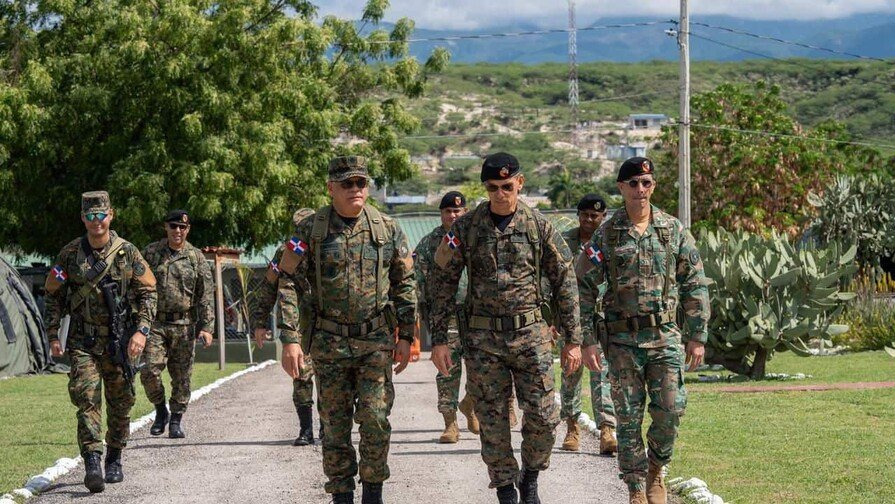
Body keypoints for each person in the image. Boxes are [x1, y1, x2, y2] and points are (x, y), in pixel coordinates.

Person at [430, 152, 582, 504]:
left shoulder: (539, 226)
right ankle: (504, 490)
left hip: (531, 335)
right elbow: (442, 282)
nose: (501, 193)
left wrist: (574, 339)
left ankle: (530, 477)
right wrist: (439, 340)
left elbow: (565, 281)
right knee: (492, 420)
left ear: (520, 183)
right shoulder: (465, 228)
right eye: (494, 187)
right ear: (486, 188)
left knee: (544, 415)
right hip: (483, 341)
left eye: (507, 186)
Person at [273, 156, 416, 504]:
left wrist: (408, 336)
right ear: (331, 188)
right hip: (329, 343)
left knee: (376, 420)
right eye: (347, 183)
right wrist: (290, 338)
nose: (356, 189)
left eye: (361, 183)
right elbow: (287, 280)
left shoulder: (388, 228)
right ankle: (341, 495)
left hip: (375, 342)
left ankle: (373, 494)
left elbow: (405, 283)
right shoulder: (310, 230)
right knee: (335, 428)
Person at [576, 157, 710, 504]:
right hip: (621, 341)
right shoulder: (607, 233)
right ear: (621, 188)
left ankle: (655, 468)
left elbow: (694, 281)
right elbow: (583, 287)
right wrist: (587, 340)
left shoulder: (672, 229)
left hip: (665, 336)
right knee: (628, 416)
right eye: (633, 183)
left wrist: (697, 335)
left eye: (646, 182)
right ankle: (637, 486)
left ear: (653, 186)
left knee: (671, 408)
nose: (640, 189)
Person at [45, 191, 157, 493]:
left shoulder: (128, 253)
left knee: (122, 403)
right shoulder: (69, 255)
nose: (97, 221)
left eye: (102, 215)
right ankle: (92, 461)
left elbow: (148, 292)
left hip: (119, 341)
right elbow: (53, 295)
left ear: (111, 215)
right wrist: (53, 333)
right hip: (83, 341)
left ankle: (114, 458)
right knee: (87, 398)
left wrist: (141, 331)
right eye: (91, 216)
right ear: (83, 218)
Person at [413, 191, 482, 443]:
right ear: (441, 214)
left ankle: (470, 403)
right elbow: (416, 280)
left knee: (482, 367)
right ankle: (450, 422)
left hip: (477, 313)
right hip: (446, 313)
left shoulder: (476, 237)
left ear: (465, 212)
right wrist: (417, 315)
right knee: (447, 368)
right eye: (448, 212)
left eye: (458, 211)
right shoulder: (430, 243)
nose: (453, 215)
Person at [140, 210, 215, 439]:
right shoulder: (151, 253)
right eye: (173, 226)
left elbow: (206, 294)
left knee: (182, 377)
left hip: (184, 325)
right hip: (156, 324)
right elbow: (137, 283)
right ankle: (161, 410)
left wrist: (207, 327)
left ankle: (176, 420)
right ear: (166, 227)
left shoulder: (196, 257)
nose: (178, 231)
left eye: (182, 227)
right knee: (150, 370)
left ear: (188, 229)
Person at [252, 207, 320, 446]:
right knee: (301, 376)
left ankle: (331, 428)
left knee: (333, 379)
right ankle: (306, 429)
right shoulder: (286, 252)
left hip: (328, 323)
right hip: (298, 324)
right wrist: (260, 322)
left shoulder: (331, 247)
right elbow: (269, 287)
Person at [557, 194, 617, 455]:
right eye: (584, 215)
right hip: (571, 317)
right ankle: (572, 426)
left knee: (601, 373)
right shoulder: (564, 241)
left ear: (603, 216)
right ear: (578, 215)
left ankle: (606, 429)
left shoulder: (610, 240)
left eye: (595, 215)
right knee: (572, 371)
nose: (589, 220)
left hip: (602, 317)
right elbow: (552, 278)